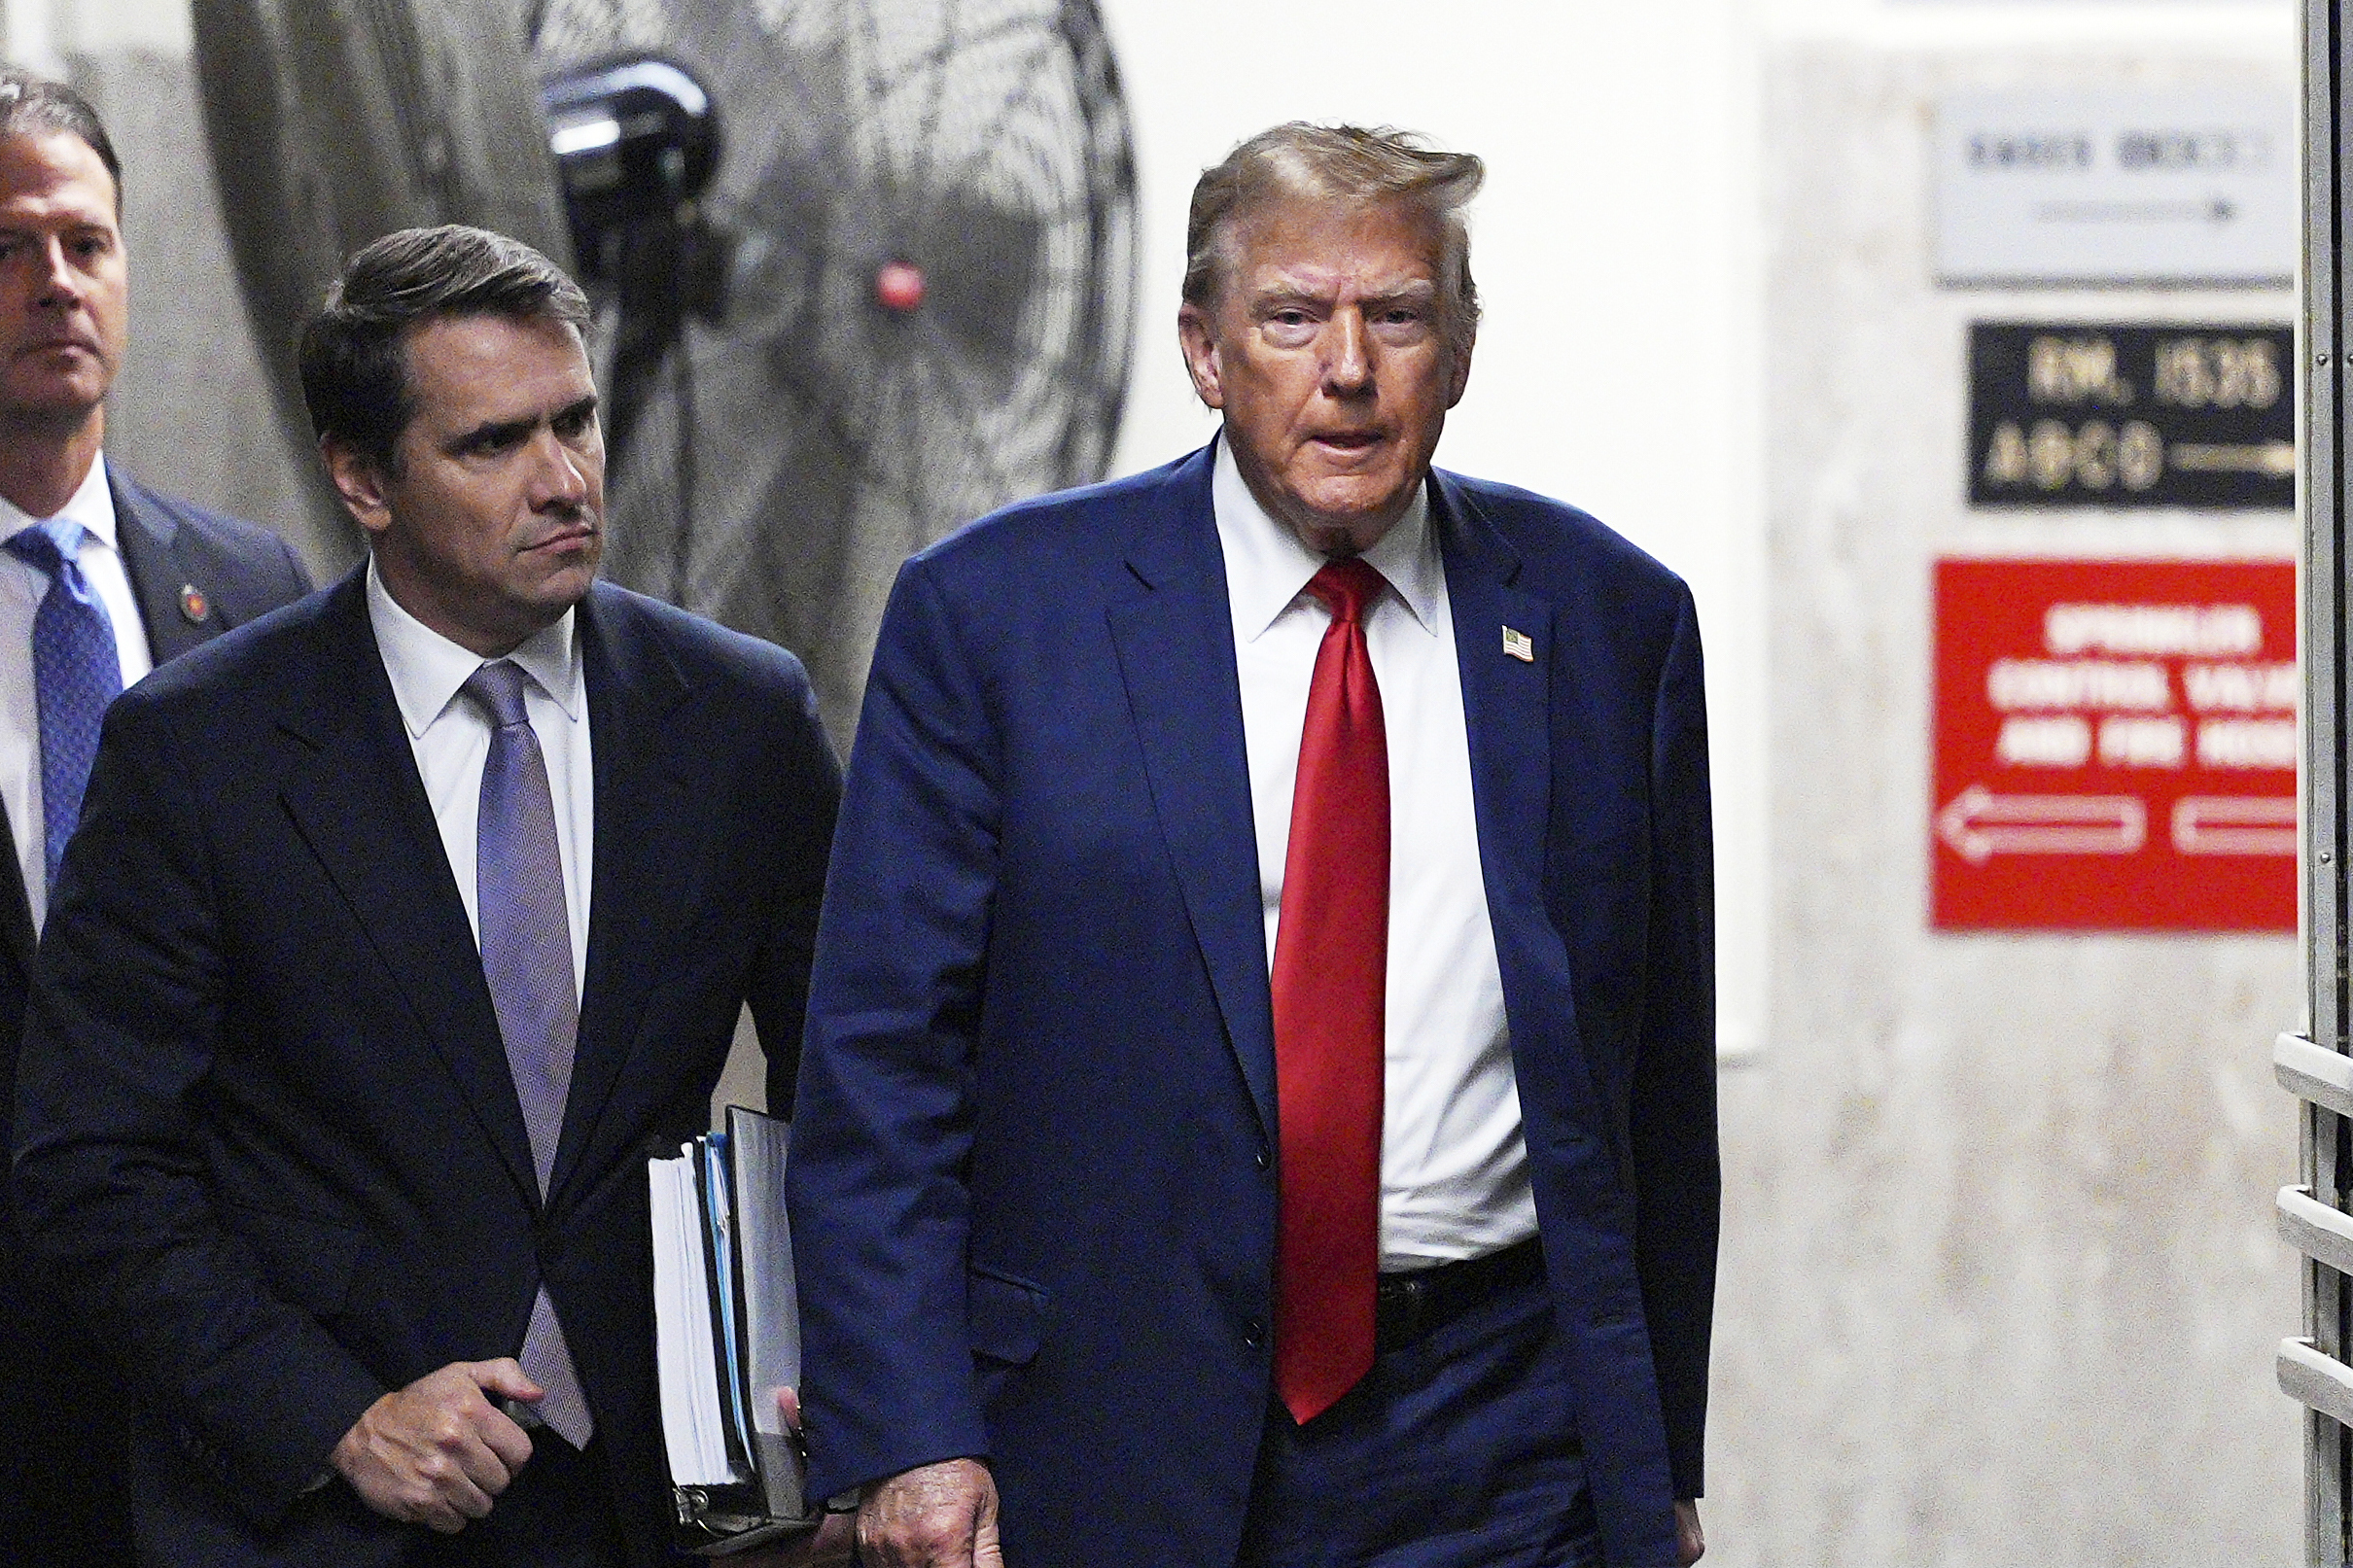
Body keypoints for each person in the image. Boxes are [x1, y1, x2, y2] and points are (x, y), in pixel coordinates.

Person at [789, 122, 1718, 1568]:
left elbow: (1655, 1082)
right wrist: (909, 1428)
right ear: (1206, 352)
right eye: (1292, 317)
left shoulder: (1613, 624)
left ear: (1459, 352)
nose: (1347, 367)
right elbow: (880, 1065)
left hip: (1503, 1428)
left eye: (1397, 317)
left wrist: (1651, 1445)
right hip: (1118, 1417)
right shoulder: (994, 618)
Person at [13, 224, 846, 1568]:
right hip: (328, 1510)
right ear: (362, 478)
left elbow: (866, 1092)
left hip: (668, 1504)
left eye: (576, 419)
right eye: (493, 443)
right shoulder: (199, 749)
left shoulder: (739, 717)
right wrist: (335, 1417)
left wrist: (847, 1405)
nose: (564, 477)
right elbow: (92, 1169)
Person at [0, 67, 312, 1568]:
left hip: (208, 1368)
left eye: (85, 242)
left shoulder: (245, 589)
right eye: (6, 247)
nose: (54, 281)